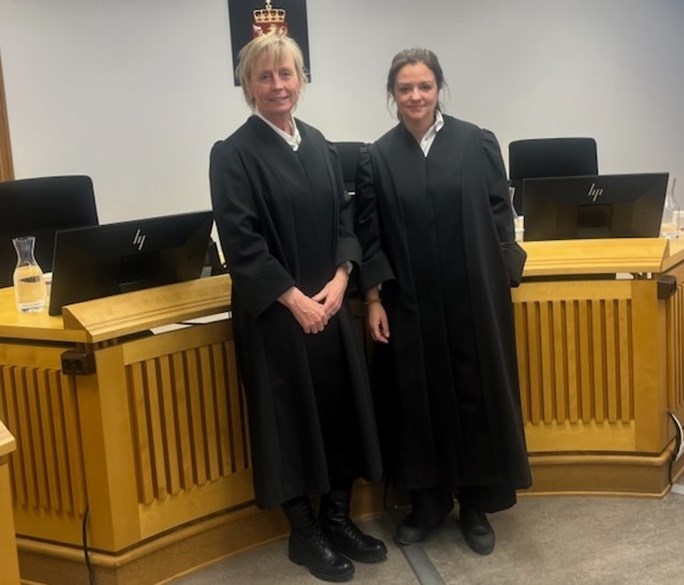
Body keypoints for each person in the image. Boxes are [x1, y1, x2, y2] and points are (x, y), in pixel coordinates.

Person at [209, 33, 387, 583]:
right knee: (286, 420)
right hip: (276, 314)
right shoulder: (233, 154)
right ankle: (304, 534)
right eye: (264, 76)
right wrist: (294, 300)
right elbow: (241, 242)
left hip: (329, 305)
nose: (277, 85)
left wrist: (342, 278)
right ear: (247, 85)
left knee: (341, 411)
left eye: (286, 74)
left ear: (301, 80)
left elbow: (344, 222)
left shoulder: (322, 146)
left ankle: (337, 518)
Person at [354, 48, 532, 556]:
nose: (415, 96)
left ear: (439, 89)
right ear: (393, 94)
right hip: (409, 300)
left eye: (424, 86)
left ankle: (476, 504)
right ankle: (428, 504)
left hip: (473, 296)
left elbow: (499, 214)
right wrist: (373, 297)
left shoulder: (476, 142)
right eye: (405, 88)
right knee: (418, 398)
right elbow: (369, 233)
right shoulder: (376, 158)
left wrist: (502, 277)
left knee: (477, 393)